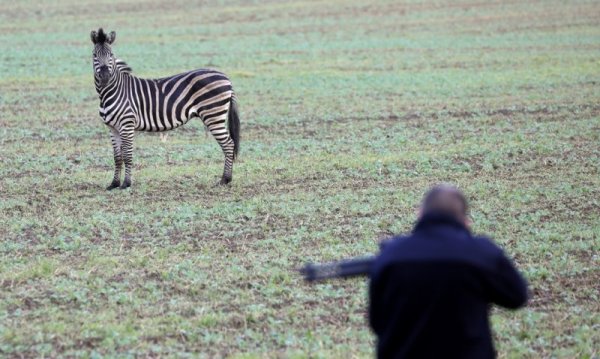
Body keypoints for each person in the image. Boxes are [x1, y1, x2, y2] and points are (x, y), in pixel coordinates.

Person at [369, 184, 529, 359]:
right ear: (465, 220)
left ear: (420, 213)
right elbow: (517, 297)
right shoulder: (481, 253)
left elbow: (376, 321)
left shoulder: (391, 255)